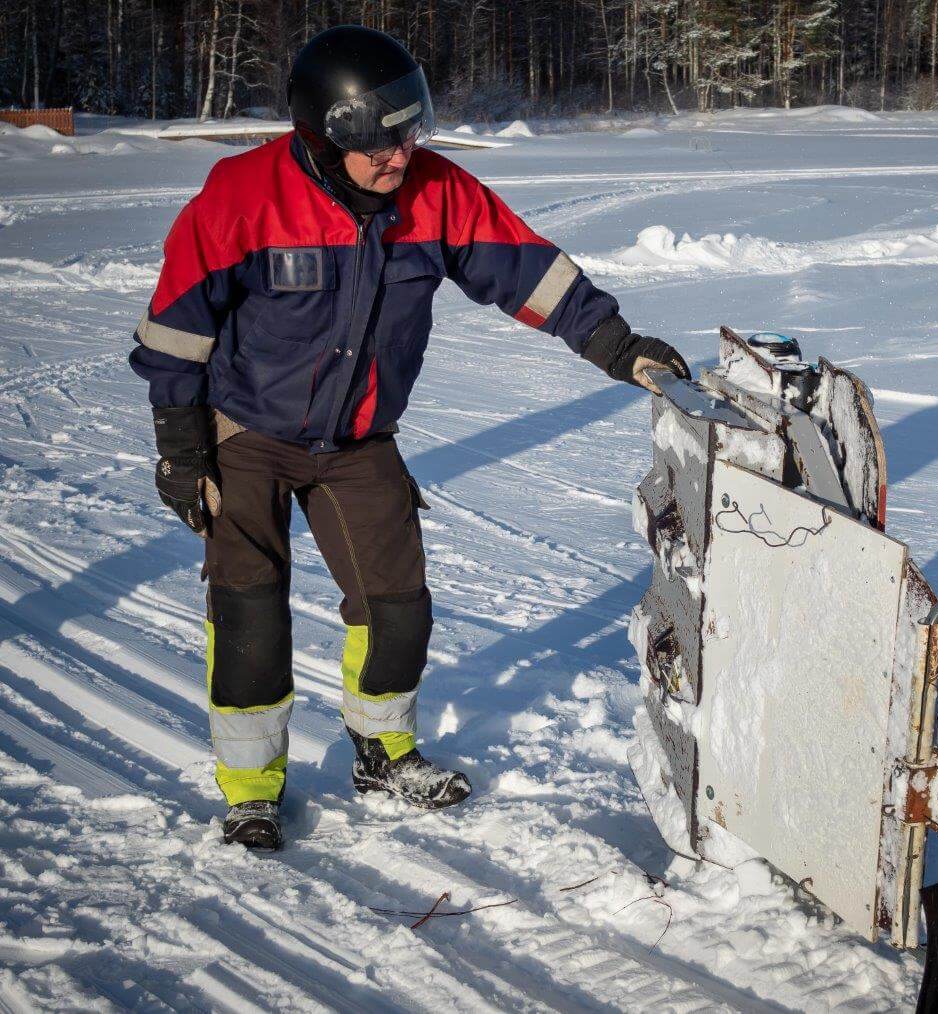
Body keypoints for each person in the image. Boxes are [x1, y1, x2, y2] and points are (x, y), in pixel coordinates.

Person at [129, 25, 689, 851]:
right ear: (324, 140)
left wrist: (618, 345)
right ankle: (251, 791)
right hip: (246, 431)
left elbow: (526, 270)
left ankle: (382, 753)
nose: (401, 155)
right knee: (251, 613)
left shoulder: (435, 192)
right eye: (378, 144)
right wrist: (181, 448)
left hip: (359, 439)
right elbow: (177, 329)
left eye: (408, 132)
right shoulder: (244, 195)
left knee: (397, 606)